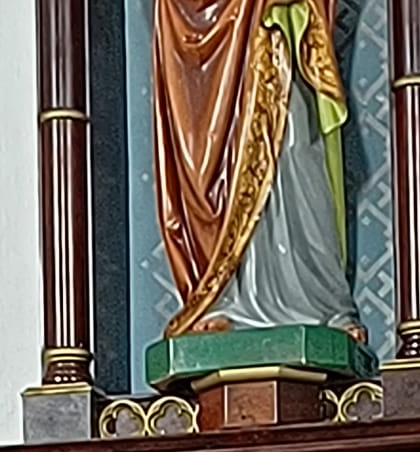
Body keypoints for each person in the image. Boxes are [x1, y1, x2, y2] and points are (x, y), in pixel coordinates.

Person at [153, 0, 361, 337]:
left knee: (294, 146)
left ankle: (319, 301)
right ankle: (225, 299)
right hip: (209, 37)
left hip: (275, 32)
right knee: (222, 158)